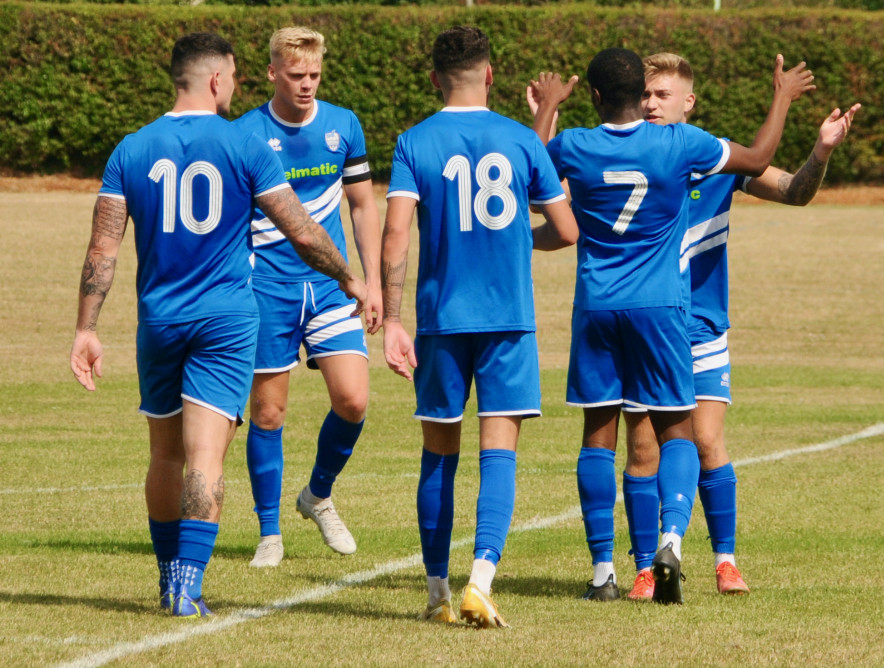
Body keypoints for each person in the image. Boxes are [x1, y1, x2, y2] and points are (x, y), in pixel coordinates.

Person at [70, 32, 367, 618]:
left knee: (164, 456)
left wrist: (86, 328)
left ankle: (165, 578)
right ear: (214, 79)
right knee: (206, 457)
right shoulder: (243, 145)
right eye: (231, 77)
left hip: (159, 320)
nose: (234, 87)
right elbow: (303, 231)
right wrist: (349, 278)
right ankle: (187, 587)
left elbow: (101, 250)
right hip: (226, 320)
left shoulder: (130, 148)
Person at [529, 47, 814, 605]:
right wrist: (781, 98)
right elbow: (757, 158)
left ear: (592, 95)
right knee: (677, 430)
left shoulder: (575, 145)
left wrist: (547, 110)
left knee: (598, 435)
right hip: (660, 308)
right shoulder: (679, 144)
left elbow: (529, 171)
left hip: (596, 308)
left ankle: (603, 573)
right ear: (643, 96)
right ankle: (669, 540)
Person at [621, 52, 861, 598]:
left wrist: (820, 152)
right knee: (642, 450)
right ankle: (643, 566)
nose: (651, 103)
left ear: (689, 102)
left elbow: (794, 191)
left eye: (662, 95)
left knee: (707, 441)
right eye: (646, 95)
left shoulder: (717, 157)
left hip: (703, 328)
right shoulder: (627, 156)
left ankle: (725, 562)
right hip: (644, 326)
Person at [380, 26, 577, 628]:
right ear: (490, 75)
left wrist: (391, 318)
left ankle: (438, 592)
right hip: (508, 322)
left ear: (436, 78)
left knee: (438, 454)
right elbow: (567, 230)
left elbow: (395, 235)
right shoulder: (522, 141)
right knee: (499, 454)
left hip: (441, 321)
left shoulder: (414, 142)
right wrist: (523, 238)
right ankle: (481, 580)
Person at [233, 27, 382, 568]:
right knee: (269, 413)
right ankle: (269, 533)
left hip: (330, 287)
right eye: (296, 76)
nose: (307, 86)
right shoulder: (244, 133)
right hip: (265, 289)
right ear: (272, 72)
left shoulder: (343, 125)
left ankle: (317, 495)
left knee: (354, 400)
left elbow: (363, 206)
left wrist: (374, 282)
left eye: (315, 76)